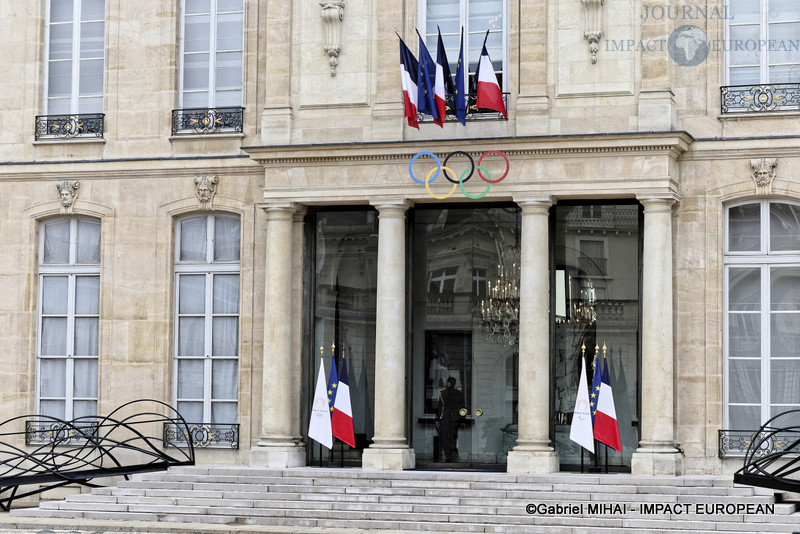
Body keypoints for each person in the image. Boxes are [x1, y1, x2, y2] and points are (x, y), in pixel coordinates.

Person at [436, 376, 465, 462]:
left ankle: (448, 456)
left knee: (444, 437)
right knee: (453, 437)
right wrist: (463, 421)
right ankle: (453, 454)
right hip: (456, 418)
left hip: (446, 417)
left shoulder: (443, 393)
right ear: (454, 383)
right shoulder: (459, 393)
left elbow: (440, 408)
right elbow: (463, 409)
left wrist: (437, 419)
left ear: (448, 383)